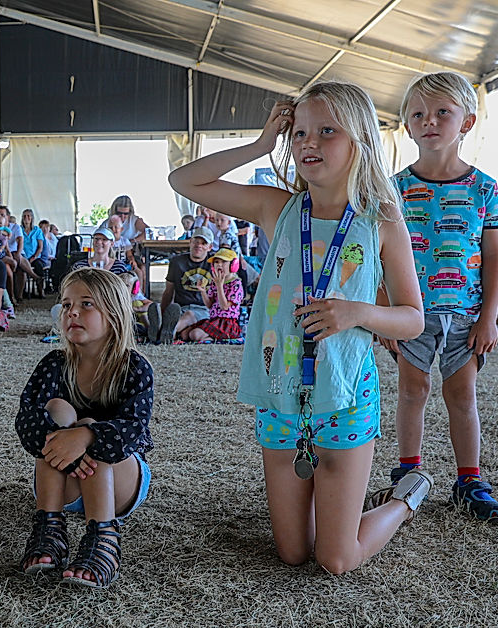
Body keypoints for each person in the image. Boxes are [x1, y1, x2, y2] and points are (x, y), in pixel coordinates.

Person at [169, 81, 429, 574]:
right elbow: (184, 181)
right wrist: (259, 145)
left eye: (326, 131)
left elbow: (413, 318)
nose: (309, 142)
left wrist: (358, 314)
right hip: (282, 394)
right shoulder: (278, 208)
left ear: (359, 140)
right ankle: (333, 500)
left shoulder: (382, 219)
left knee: (335, 558)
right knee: (291, 553)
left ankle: (403, 499)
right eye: (301, 132)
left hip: (346, 396)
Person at [376, 71, 498, 523]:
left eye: (442, 113)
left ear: (467, 122)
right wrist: (384, 312)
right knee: (412, 389)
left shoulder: (484, 188)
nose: (429, 121)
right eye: (418, 114)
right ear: (407, 126)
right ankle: (407, 475)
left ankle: (469, 481)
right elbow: (377, 254)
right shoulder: (391, 188)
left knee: (462, 394)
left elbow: (495, 258)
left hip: (466, 314)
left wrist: (489, 318)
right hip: (409, 313)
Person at [16, 267, 152, 588]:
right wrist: (70, 446)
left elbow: (133, 431)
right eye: (65, 305)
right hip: (62, 485)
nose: (72, 311)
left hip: (120, 486)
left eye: (86, 304)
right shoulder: (54, 363)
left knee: (94, 425)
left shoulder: (134, 367)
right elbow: (27, 423)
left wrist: (87, 436)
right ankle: (49, 526)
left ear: (114, 313)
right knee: (56, 409)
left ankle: (104, 538)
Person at [145, 227, 214, 344]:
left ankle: (165, 331)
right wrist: (162, 312)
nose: (199, 246)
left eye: (203, 243)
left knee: (189, 315)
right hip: (179, 308)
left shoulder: (214, 263)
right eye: (196, 242)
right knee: (184, 320)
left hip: (204, 310)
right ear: (190, 242)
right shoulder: (177, 262)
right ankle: (164, 327)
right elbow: (168, 291)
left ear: (210, 247)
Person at [177, 248, 243, 342]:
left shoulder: (236, 284)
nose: (219, 264)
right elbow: (209, 305)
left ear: (233, 265)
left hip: (226, 323)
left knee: (194, 334)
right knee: (184, 335)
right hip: (214, 320)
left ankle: (213, 340)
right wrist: (203, 291)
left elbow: (224, 306)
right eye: (216, 262)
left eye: (224, 262)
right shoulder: (215, 281)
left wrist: (219, 286)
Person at [18, 209, 46, 299]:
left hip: (35, 257)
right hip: (23, 257)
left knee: (39, 266)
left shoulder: (37, 230)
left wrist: (34, 257)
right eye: (24, 216)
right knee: (21, 269)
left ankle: (41, 291)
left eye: (28, 216)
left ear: (32, 218)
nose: (26, 218)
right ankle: (20, 294)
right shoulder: (19, 229)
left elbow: (40, 247)